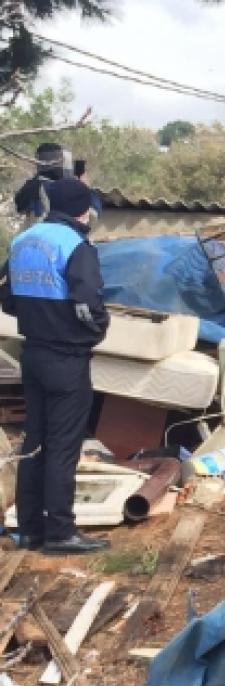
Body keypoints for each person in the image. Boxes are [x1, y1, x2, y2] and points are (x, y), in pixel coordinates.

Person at [0, 178, 110, 554]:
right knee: (63, 446)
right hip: (66, 358)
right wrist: (96, 331)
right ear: (83, 209)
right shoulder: (75, 245)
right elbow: (89, 305)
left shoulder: (22, 241)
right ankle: (61, 531)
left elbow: (7, 297)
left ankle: (30, 529)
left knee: (35, 442)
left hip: (32, 353)